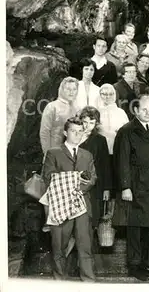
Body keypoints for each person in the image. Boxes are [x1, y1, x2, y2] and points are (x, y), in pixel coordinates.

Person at [113, 95, 149, 281]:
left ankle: (148, 264)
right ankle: (135, 266)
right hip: (136, 185)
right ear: (136, 110)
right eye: (144, 109)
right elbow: (122, 160)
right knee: (136, 227)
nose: (148, 113)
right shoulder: (127, 131)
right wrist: (125, 187)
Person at [40, 117, 97, 281]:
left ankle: (89, 281)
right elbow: (49, 177)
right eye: (73, 131)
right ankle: (60, 281)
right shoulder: (54, 152)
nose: (77, 134)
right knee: (59, 245)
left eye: (80, 132)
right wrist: (75, 179)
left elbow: (93, 178)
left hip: (82, 205)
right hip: (60, 204)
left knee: (85, 246)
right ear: (65, 132)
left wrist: (79, 187)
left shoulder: (87, 155)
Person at [78, 106, 113, 228]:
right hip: (75, 184)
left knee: (92, 221)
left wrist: (107, 188)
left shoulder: (100, 140)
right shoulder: (72, 136)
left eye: (91, 123)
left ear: (96, 124)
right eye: (85, 122)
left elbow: (105, 166)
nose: (87, 126)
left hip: (95, 186)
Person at [96, 84, 129, 197]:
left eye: (110, 94)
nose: (107, 97)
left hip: (117, 151)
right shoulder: (96, 112)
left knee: (115, 179)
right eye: (104, 94)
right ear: (100, 95)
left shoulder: (120, 112)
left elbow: (126, 131)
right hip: (100, 152)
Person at [40, 76, 79, 155]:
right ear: (62, 89)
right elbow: (44, 132)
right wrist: (47, 153)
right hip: (55, 151)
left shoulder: (76, 109)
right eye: (68, 89)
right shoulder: (52, 106)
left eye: (74, 89)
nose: (71, 92)